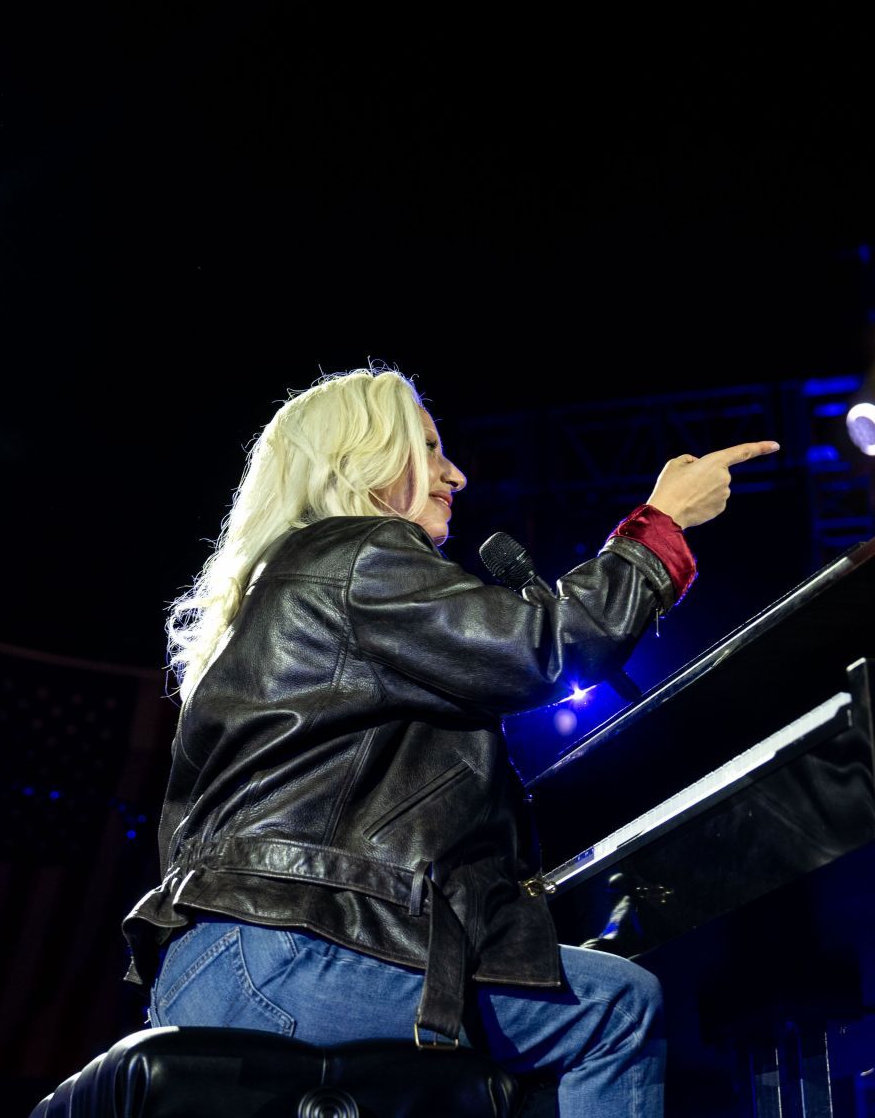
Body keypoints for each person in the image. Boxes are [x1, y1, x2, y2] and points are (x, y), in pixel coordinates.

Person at [120, 368, 775, 1117]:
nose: (454, 473)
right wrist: (660, 530)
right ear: (361, 458)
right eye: (428, 449)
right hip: (296, 953)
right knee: (614, 1006)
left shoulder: (275, 594)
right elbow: (543, 647)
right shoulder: (358, 556)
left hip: (211, 967)